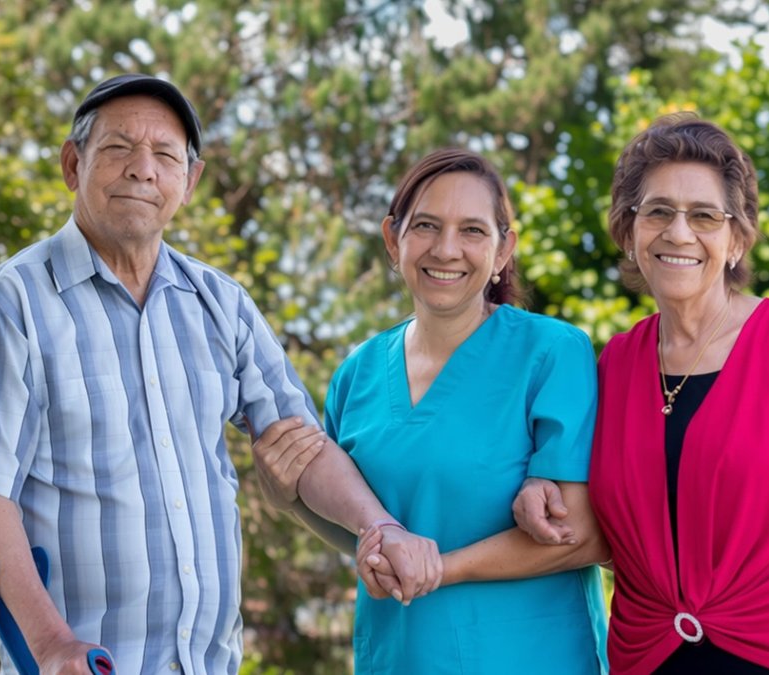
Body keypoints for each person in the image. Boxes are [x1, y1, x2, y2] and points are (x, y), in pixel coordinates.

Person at [0, 73, 440, 675]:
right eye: (118, 148)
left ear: (189, 181)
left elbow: (300, 448)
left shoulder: (220, 304)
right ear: (73, 164)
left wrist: (377, 525)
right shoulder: (11, 301)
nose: (142, 169)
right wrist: (50, 645)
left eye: (165, 155)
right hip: (82, 666)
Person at [514, 113, 769, 674]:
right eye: (657, 212)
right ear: (630, 233)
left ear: (736, 239)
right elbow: (608, 526)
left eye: (704, 215)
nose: (679, 233)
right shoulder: (613, 364)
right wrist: (542, 478)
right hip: (653, 660)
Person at [251, 148, 611, 674]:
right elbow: (367, 531)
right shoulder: (358, 374)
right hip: (400, 656)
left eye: (472, 230)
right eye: (425, 225)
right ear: (393, 239)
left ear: (503, 249)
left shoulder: (552, 354)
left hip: (531, 658)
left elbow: (576, 534)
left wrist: (438, 568)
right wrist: (290, 500)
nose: (446, 249)